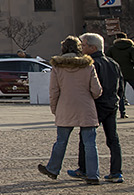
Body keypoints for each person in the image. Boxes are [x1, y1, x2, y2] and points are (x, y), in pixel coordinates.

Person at [38, 36, 103, 184]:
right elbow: (97, 90)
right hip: (86, 108)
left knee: (61, 141)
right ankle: (93, 175)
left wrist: (55, 109)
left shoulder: (58, 67)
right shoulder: (88, 66)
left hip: (65, 106)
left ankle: (53, 169)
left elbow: (53, 91)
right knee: (90, 144)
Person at [73, 33, 122, 183]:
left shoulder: (92, 63)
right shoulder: (113, 62)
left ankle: (84, 169)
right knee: (113, 139)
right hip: (111, 104)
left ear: (93, 47)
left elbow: (91, 86)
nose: (82, 48)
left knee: (86, 137)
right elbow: (121, 84)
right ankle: (116, 172)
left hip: (96, 105)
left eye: (84, 45)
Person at [109, 31, 134, 119]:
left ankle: (122, 112)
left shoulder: (112, 49)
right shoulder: (131, 48)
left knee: (120, 94)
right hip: (130, 72)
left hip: (118, 73)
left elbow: (108, 59)